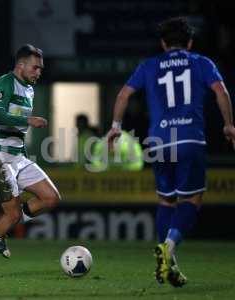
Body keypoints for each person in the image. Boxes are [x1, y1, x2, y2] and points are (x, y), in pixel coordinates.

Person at [106, 17, 235, 287]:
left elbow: (123, 95)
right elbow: (220, 91)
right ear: (189, 42)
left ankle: (169, 265)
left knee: (166, 201)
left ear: (163, 43)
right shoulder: (201, 62)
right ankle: (168, 248)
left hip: (159, 142)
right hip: (189, 139)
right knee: (192, 199)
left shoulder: (149, 65)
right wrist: (229, 125)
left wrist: (115, 127)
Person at [0, 44, 61, 278]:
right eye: (35, 67)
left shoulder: (29, 89)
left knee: (50, 198)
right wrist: (29, 120)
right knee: (13, 214)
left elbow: (15, 130)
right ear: (21, 65)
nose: (39, 72)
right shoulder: (5, 82)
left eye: (41, 68)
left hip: (18, 157)